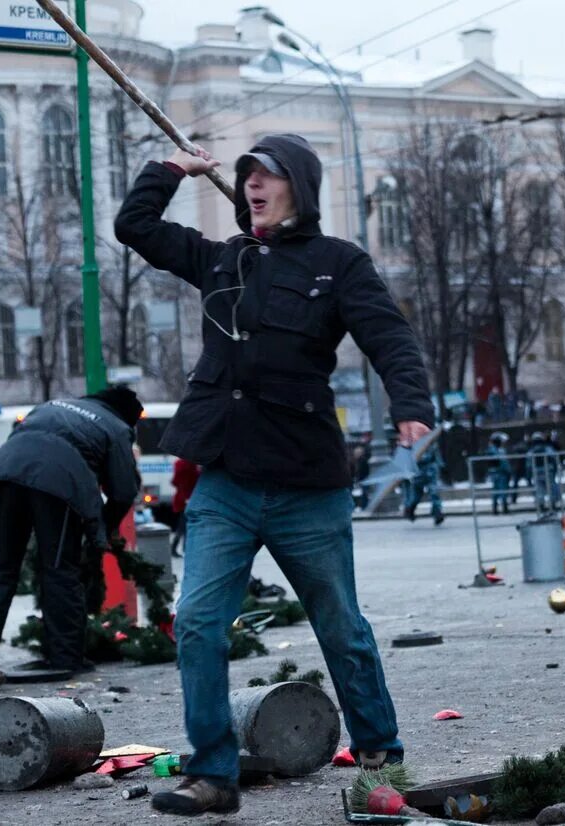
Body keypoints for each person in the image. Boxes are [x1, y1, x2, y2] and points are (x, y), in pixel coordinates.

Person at [115, 134, 434, 816]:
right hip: (226, 479)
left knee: (341, 627)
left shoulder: (338, 264)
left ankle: (381, 758)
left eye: (269, 175)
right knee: (198, 621)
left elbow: (391, 339)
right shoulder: (223, 259)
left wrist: (411, 406)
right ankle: (213, 775)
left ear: (300, 187)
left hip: (305, 486)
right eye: (247, 176)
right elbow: (133, 226)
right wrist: (174, 169)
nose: (253, 185)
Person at [0, 386, 142, 679]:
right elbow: (123, 491)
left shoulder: (51, 406)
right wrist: (103, 533)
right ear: (128, 416)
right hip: (58, 482)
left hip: (3, 473)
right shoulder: (117, 426)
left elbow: (21, 443)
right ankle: (65, 657)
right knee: (59, 569)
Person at [402, 439, 445, 526]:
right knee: (416, 495)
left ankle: (437, 513)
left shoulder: (430, 440)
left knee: (434, 492)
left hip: (430, 469)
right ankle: (410, 509)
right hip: (418, 470)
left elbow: (436, 454)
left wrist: (441, 465)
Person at [169, 458, 201, 557]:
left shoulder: (179, 464)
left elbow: (174, 481)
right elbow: (195, 480)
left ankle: (178, 548)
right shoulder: (192, 465)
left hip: (182, 498)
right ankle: (181, 548)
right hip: (189, 498)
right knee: (184, 525)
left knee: (183, 525)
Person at [526, 432, 561, 514]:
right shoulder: (548, 449)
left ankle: (541, 506)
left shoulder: (531, 451)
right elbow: (554, 460)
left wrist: (528, 476)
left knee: (539, 490)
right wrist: (555, 471)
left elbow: (528, 465)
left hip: (537, 472)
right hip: (548, 471)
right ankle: (553, 505)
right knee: (551, 489)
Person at [486, 433, 512, 515]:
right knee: (502, 491)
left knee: (495, 491)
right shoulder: (499, 451)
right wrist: (508, 471)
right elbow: (504, 463)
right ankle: (504, 508)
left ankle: (495, 508)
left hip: (493, 473)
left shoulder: (490, 450)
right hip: (501, 473)